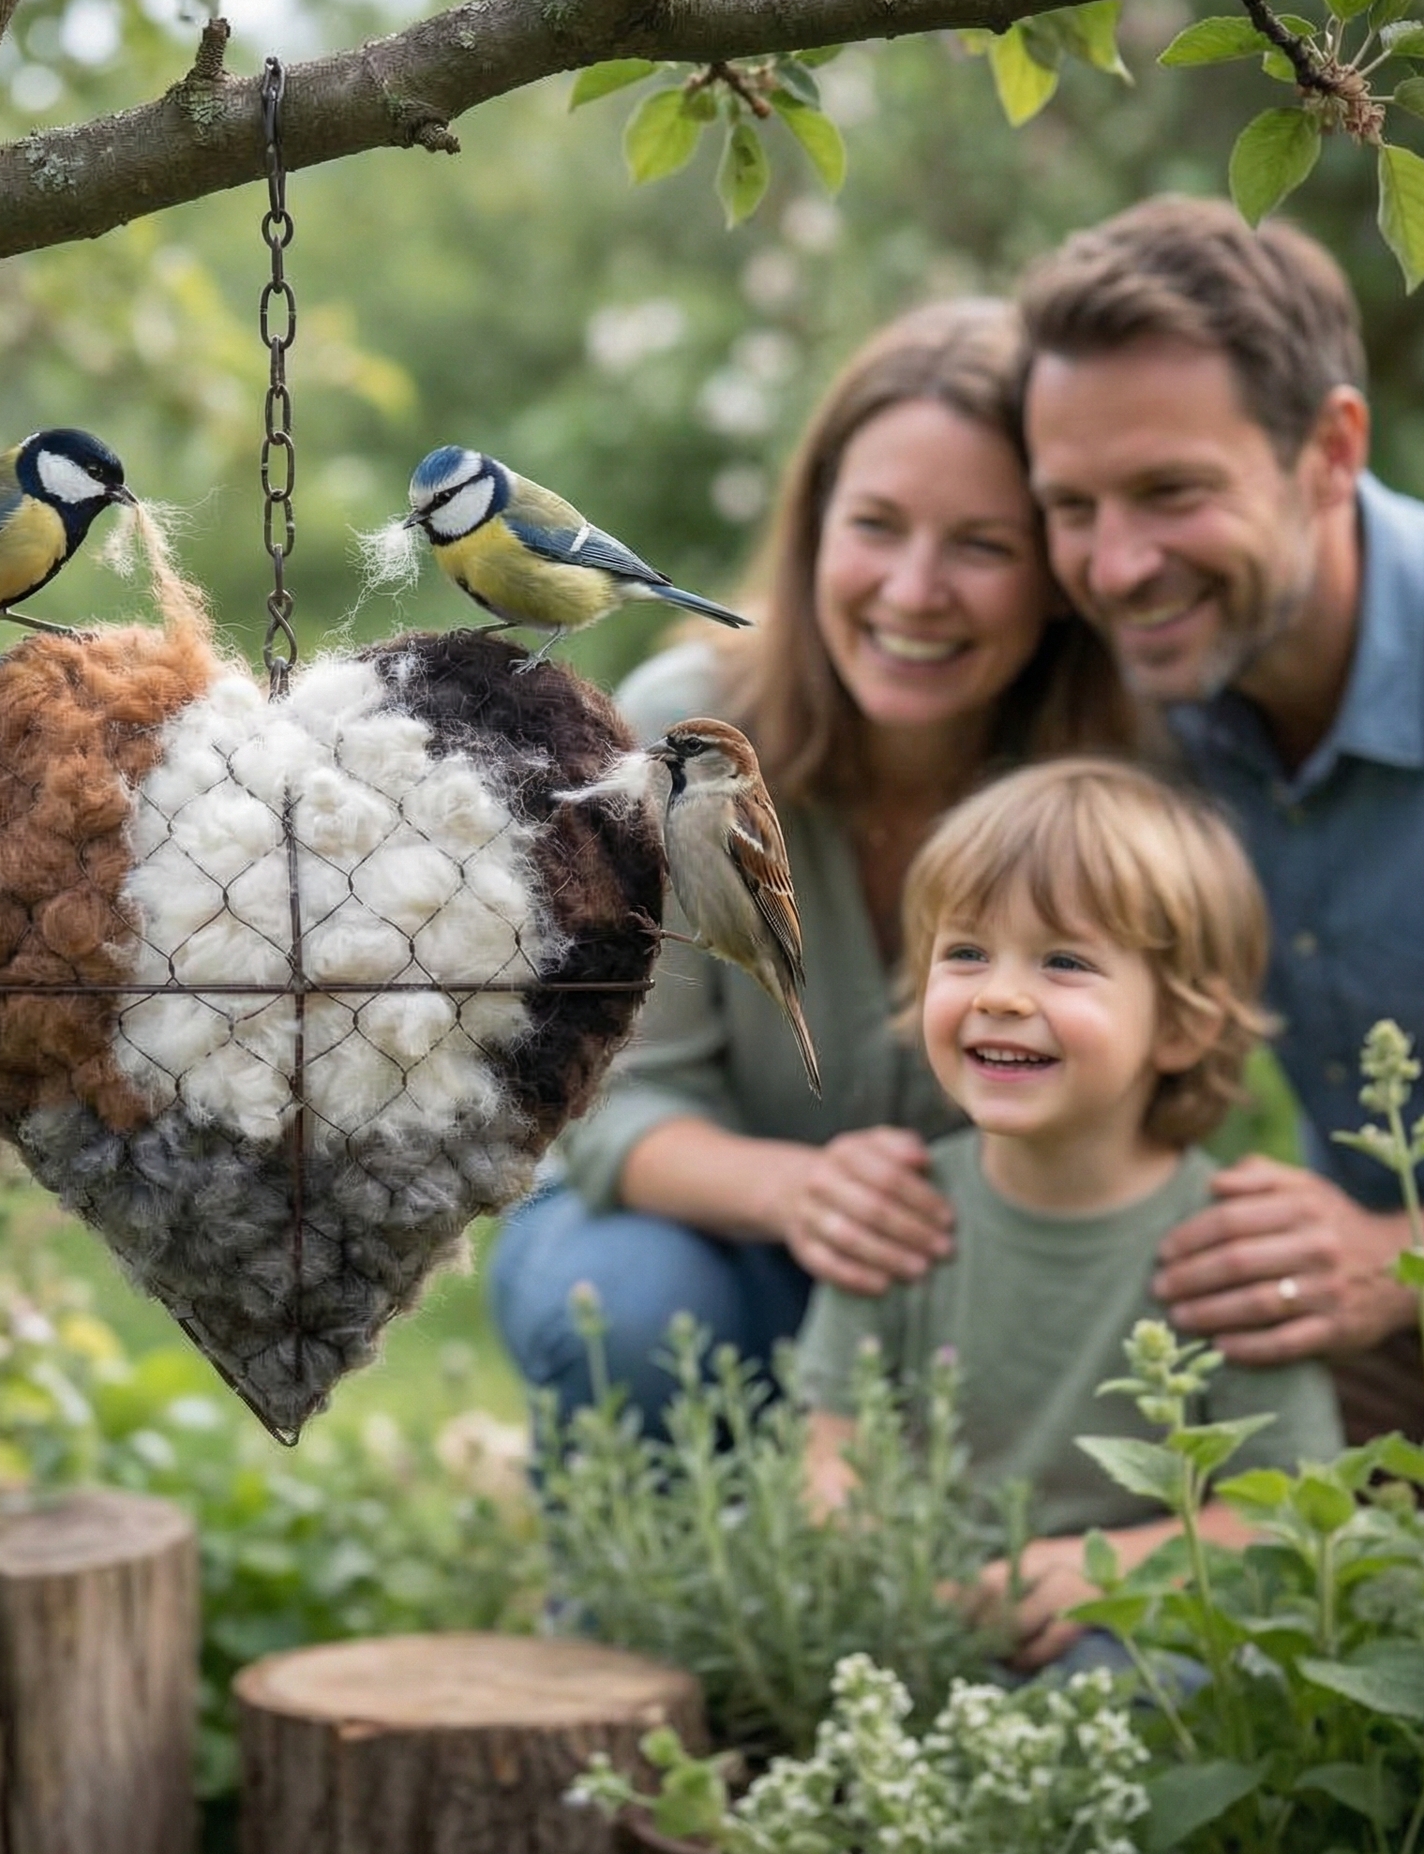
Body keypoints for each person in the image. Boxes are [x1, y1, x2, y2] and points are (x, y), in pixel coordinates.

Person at [820, 198, 1424, 1445]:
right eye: (1072, 508)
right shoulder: (1122, 701)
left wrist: (1396, 1257)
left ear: (1333, 450)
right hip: (1358, 1319)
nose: (1118, 568)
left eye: (1172, 492)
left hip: (1393, 1274)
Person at [488, 298, 1143, 1429]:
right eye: (877, 525)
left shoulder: (1105, 779)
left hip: (967, 1257)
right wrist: (802, 1195)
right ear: (813, 532)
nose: (913, 589)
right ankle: (631, 1598)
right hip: (696, 1228)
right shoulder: (681, 733)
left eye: (983, 543)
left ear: (1056, 569)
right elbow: (614, 1099)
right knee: (632, 1312)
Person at [797, 757, 1344, 1671]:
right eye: (965, 952)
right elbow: (827, 1461)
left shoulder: (1225, 1242)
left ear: (1182, 1024)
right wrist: (911, 1586)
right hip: (930, 1619)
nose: (1002, 994)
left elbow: (1284, 1507)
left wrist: (1108, 1573)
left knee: (1138, 1681)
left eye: (1064, 962)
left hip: (1132, 1631)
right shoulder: (905, 1210)